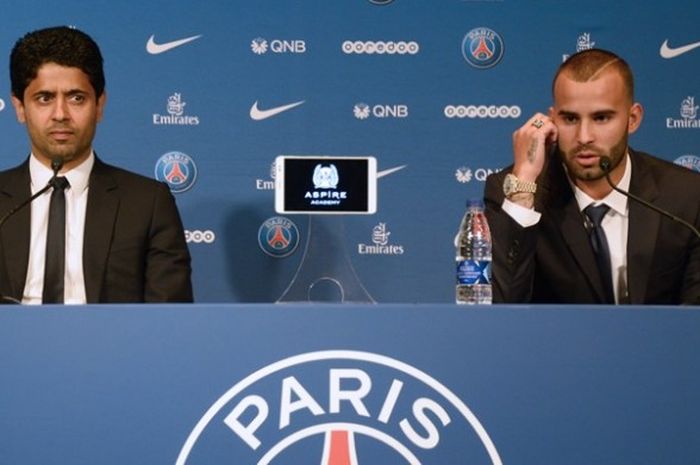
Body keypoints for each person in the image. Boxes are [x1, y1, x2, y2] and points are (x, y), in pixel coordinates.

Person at [484, 48, 700, 305]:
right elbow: (501, 308)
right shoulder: (518, 191)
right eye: (570, 119)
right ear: (552, 120)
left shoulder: (686, 196)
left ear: (632, 119)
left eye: (601, 118)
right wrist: (523, 184)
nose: (584, 137)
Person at [2, 26, 193, 304]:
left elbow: (170, 318)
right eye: (44, 98)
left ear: (99, 105)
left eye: (76, 98)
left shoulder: (147, 203)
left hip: (116, 347)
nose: (60, 114)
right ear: (20, 107)